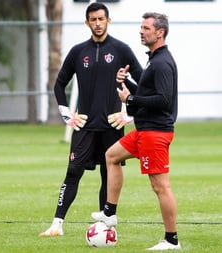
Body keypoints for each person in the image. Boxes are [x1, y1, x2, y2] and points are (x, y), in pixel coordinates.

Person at [39, 2, 142, 237]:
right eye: (93, 19)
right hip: (84, 126)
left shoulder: (121, 50)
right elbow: (59, 83)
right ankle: (57, 224)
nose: (97, 23)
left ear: (108, 21)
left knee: (109, 175)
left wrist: (128, 114)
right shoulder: (78, 52)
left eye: (101, 19)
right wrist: (67, 113)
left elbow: (144, 83)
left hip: (112, 127)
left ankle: (103, 227)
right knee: (73, 172)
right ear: (87, 22)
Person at [91, 12, 180, 250]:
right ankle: (109, 213)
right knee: (111, 156)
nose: (141, 31)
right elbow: (146, 93)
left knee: (160, 186)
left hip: (155, 133)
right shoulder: (154, 59)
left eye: (146, 28)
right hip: (143, 130)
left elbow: (163, 100)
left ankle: (172, 240)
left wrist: (130, 98)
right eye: (141, 27)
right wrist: (126, 82)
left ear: (159, 32)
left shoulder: (162, 62)